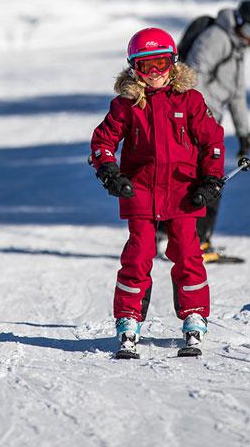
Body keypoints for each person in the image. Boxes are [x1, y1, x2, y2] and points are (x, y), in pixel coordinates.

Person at [90, 28, 225, 358]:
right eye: (146, 67)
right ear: (133, 68)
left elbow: (213, 143)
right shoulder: (126, 105)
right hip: (141, 192)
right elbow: (102, 143)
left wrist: (210, 179)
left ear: (174, 63)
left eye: (162, 64)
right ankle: (128, 318)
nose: (155, 75)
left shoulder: (190, 100)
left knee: (188, 252)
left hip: (182, 192)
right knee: (138, 254)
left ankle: (194, 316)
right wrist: (109, 171)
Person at [183, 1, 250, 261]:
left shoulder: (236, 47)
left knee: (208, 178)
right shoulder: (216, 38)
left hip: (210, 124)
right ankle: (194, 244)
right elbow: (193, 77)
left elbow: (235, 95)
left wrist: (245, 135)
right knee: (208, 179)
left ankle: (190, 240)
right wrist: (202, 119)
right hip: (196, 122)